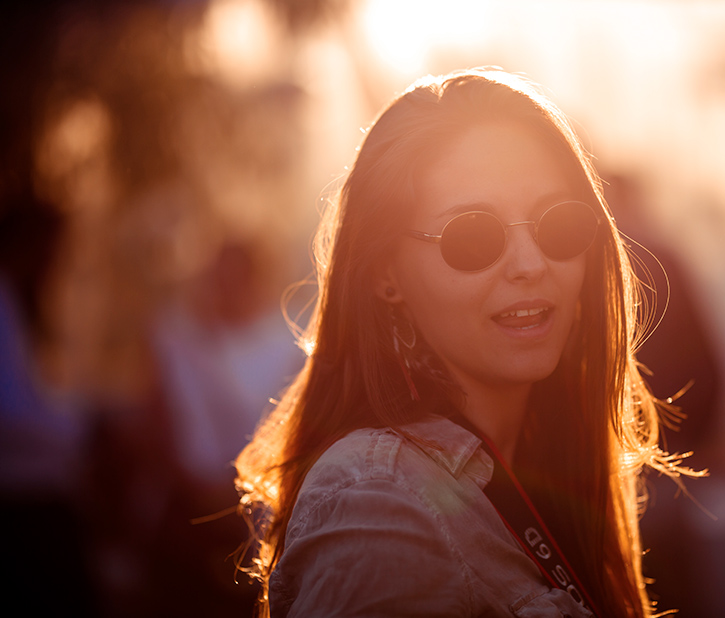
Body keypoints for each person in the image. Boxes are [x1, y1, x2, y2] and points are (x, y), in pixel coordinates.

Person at [235, 68, 696, 618]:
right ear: (386, 274)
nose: (531, 265)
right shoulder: (377, 502)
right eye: (473, 236)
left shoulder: (548, 467)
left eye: (559, 224)